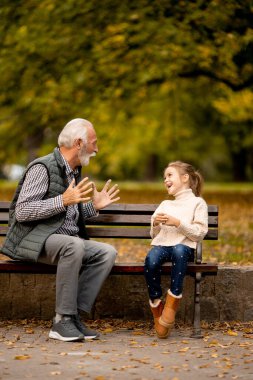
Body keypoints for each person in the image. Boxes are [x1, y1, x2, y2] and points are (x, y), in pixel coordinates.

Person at [1, 118, 120, 342]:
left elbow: (66, 214)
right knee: (72, 244)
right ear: (78, 143)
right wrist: (62, 200)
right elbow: (23, 211)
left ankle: (73, 317)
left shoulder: (72, 171)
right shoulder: (42, 167)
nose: (97, 149)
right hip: (32, 239)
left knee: (107, 252)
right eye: (94, 142)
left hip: (60, 241)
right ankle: (61, 320)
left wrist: (93, 206)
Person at [144, 161, 208, 339]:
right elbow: (153, 234)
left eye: (170, 175)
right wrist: (155, 224)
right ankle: (157, 305)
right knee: (151, 259)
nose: (166, 180)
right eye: (164, 177)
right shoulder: (165, 204)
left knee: (180, 250)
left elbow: (199, 233)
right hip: (163, 245)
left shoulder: (198, 203)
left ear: (185, 178)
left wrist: (178, 223)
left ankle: (172, 303)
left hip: (184, 247)